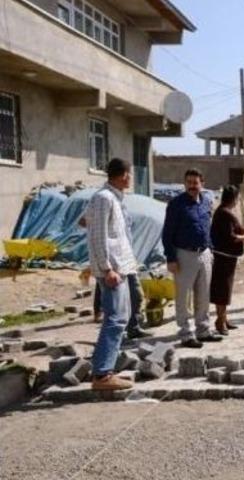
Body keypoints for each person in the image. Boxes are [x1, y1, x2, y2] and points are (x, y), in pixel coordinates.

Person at [84, 158, 136, 390]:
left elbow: (86, 222)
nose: (130, 178)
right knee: (114, 319)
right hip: (112, 270)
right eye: (128, 174)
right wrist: (106, 269)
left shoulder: (111, 198)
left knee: (120, 318)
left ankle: (105, 369)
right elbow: (97, 236)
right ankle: (102, 375)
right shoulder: (104, 198)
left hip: (121, 267)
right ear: (122, 175)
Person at [162, 169, 222, 348]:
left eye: (195, 183)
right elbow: (167, 233)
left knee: (203, 295)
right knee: (183, 297)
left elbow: (207, 228)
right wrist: (170, 258)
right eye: (188, 182)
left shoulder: (206, 202)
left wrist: (210, 250)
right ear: (184, 183)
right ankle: (186, 334)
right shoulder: (176, 204)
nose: (192, 186)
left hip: (204, 254)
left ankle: (203, 330)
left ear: (202, 184)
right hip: (184, 255)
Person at [210, 185, 244, 335]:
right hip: (223, 257)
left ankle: (224, 318)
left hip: (227, 257)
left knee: (225, 289)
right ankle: (220, 321)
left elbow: (236, 228)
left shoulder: (225, 212)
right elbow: (230, 236)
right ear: (234, 199)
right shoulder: (224, 213)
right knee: (223, 291)